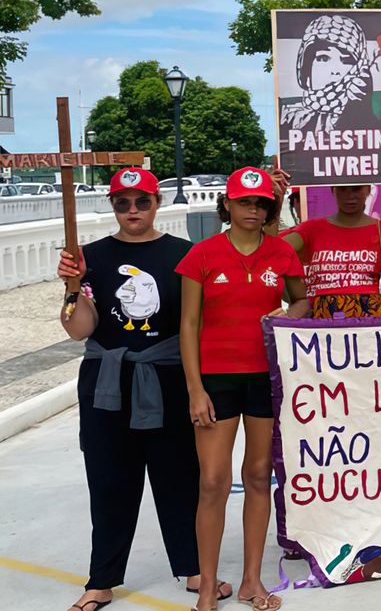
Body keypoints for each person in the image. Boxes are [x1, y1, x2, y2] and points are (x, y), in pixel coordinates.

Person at [56, 168, 219, 611]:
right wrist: (73, 286)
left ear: (156, 203)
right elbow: (78, 330)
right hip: (107, 380)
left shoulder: (185, 255)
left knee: (179, 476)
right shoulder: (88, 256)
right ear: (112, 206)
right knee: (109, 480)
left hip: (167, 374)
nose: (132, 210)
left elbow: (198, 324)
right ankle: (102, 579)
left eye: (141, 201)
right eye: (122, 202)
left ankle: (193, 568)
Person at [179, 167, 309, 611]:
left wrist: (288, 317)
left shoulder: (281, 254)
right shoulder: (202, 255)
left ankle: (253, 580)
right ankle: (209, 587)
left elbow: (303, 300)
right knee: (213, 481)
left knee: (258, 476)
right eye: (244, 202)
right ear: (228, 205)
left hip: (264, 378)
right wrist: (195, 389)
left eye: (261, 204)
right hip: (215, 379)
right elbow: (188, 325)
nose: (253, 209)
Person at [280, 168, 381, 319]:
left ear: (368, 190)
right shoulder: (311, 230)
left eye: (356, 188)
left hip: (369, 329)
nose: (350, 196)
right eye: (343, 189)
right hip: (321, 328)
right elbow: (271, 250)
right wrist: (276, 195)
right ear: (332, 190)